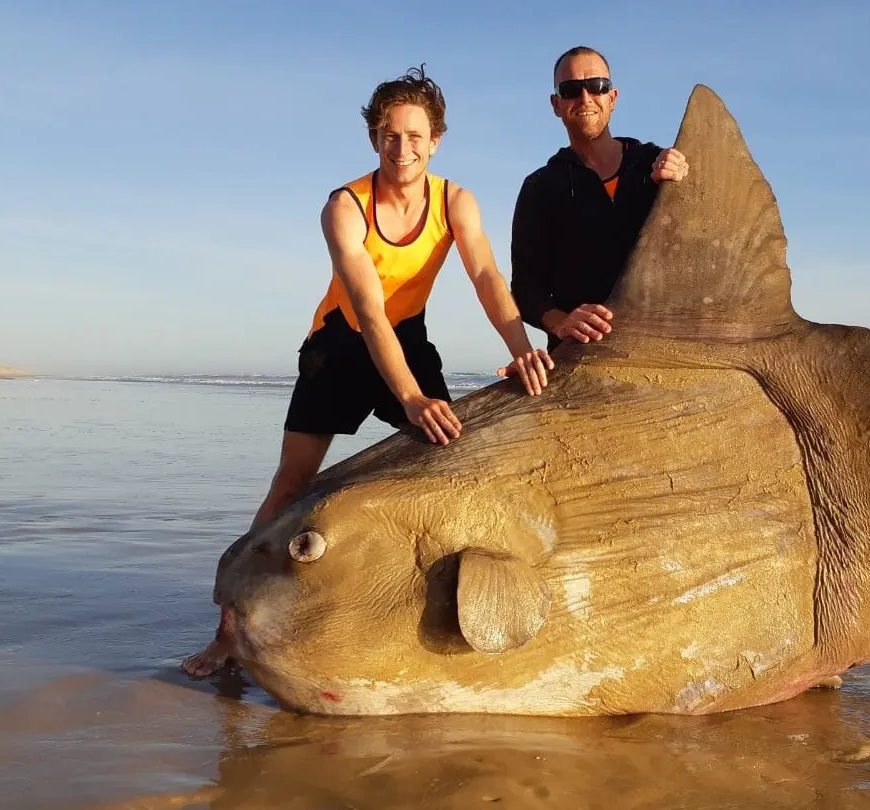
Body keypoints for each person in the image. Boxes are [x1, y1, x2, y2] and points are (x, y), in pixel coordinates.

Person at [181, 66, 553, 678]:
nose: (400, 149)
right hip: (340, 343)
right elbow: (369, 311)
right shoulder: (345, 207)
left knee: (446, 457)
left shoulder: (455, 201)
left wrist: (521, 346)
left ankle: (415, 610)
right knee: (292, 482)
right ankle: (229, 629)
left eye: (413, 136)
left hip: (407, 336)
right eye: (388, 135)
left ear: (435, 140)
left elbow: (486, 278)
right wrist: (408, 396)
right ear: (374, 139)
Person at [510, 46, 690, 351]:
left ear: (613, 97)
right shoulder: (540, 187)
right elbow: (526, 288)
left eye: (597, 86)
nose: (585, 98)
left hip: (662, 349)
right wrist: (561, 321)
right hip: (583, 356)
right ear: (556, 104)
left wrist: (684, 182)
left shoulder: (655, 164)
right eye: (570, 90)